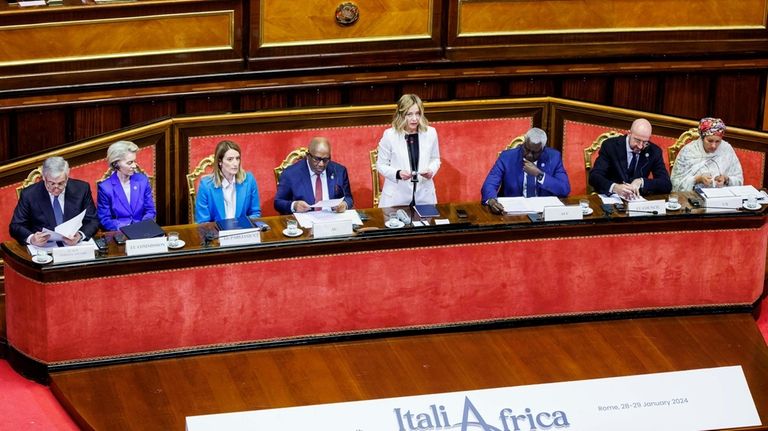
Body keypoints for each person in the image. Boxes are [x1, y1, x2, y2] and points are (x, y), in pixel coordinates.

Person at [10, 156, 99, 246]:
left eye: (61, 183)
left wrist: (80, 235)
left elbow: (93, 220)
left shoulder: (81, 189)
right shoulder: (29, 194)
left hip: (73, 247)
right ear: (44, 178)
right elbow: (16, 226)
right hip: (43, 249)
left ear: (67, 177)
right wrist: (32, 238)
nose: (56, 189)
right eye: (51, 183)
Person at [481, 127, 571, 213]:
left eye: (535, 152)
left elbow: (564, 189)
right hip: (513, 213)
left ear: (543, 149)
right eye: (527, 149)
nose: (529, 155)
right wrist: (492, 201)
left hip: (543, 214)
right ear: (523, 144)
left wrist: (540, 175)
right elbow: (489, 184)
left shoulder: (553, 157)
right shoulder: (507, 157)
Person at [375, 94, 441, 207]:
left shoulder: (430, 133)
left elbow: (435, 159)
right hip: (396, 197)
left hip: (424, 196)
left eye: (418, 114)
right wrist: (397, 173)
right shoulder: (390, 135)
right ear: (401, 115)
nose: (414, 119)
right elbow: (381, 165)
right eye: (409, 114)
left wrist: (430, 171)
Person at [588, 118, 671, 199]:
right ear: (629, 133)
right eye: (637, 140)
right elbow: (594, 176)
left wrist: (641, 182)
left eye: (645, 142)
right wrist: (615, 187)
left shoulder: (654, 151)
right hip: (612, 199)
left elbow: (666, 184)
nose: (640, 146)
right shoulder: (610, 146)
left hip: (637, 201)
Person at [274, 137, 354, 215]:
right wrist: (294, 205)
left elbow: (349, 198)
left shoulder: (339, 171)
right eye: (317, 159)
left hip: (333, 220)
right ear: (308, 155)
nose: (321, 164)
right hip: (304, 222)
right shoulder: (290, 174)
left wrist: (344, 204)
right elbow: (278, 202)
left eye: (325, 159)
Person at [195, 140, 261, 223]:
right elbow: (203, 222)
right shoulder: (206, 185)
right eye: (230, 159)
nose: (235, 163)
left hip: (243, 231)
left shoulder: (249, 180)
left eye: (237, 158)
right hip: (217, 233)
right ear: (220, 162)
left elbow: (255, 214)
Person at [96, 141, 157, 231]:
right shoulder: (105, 188)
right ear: (116, 164)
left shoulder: (142, 180)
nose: (134, 166)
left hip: (143, 230)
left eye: (134, 161)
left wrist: (142, 226)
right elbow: (104, 219)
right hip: (120, 233)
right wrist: (127, 228)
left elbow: (150, 210)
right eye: (129, 163)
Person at [670, 117, 743, 191]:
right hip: (693, 198)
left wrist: (726, 179)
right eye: (710, 141)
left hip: (722, 197)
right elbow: (676, 183)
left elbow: (739, 181)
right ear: (702, 138)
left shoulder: (727, 149)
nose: (713, 146)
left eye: (717, 141)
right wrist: (698, 179)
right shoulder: (688, 151)